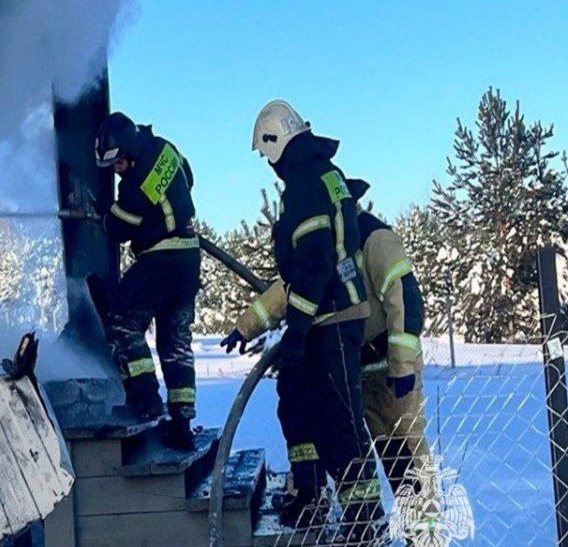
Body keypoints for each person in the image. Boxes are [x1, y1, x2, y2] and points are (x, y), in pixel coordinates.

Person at [224, 178, 431, 501]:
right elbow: (286, 290)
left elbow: (405, 300)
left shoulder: (374, 237)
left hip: (388, 369)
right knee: (346, 443)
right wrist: (245, 327)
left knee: (403, 453)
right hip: (350, 365)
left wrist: (401, 364)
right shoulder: (328, 244)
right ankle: (356, 524)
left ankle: (424, 546)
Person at [233, 100, 382, 547]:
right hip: (325, 314)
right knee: (296, 400)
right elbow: (302, 271)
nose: (269, 164)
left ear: (276, 140)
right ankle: (310, 492)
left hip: (332, 318)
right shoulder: (323, 174)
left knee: (340, 420)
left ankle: (363, 522)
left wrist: (296, 331)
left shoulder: (304, 184)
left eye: (266, 153)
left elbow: (314, 264)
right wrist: (251, 325)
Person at [94, 111, 201, 449]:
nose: (117, 170)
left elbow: (118, 230)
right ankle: (181, 423)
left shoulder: (135, 183)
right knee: (175, 341)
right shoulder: (166, 149)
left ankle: (145, 402)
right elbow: (188, 176)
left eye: (118, 163)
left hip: (161, 259)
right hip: (188, 258)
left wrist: (103, 213)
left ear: (128, 150)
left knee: (122, 323)